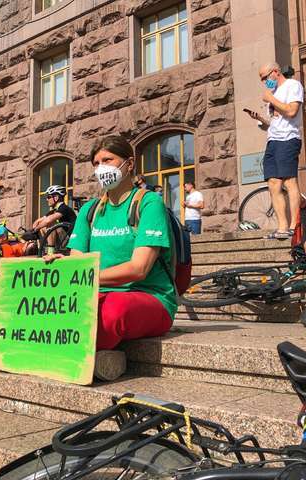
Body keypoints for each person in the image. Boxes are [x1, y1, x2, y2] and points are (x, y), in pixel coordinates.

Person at [59, 135, 176, 382]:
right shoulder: (89, 210)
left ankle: (73, 355)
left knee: (113, 311)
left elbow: (139, 269)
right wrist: (62, 268)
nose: (101, 168)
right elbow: (78, 263)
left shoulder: (149, 202)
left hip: (149, 297)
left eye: (108, 160)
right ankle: (100, 356)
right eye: (96, 163)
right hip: (97, 295)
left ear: (129, 164)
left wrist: (87, 277)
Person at [244, 61, 304, 240]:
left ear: (276, 72)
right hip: (273, 141)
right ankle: (282, 227)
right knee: (273, 183)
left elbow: (292, 111)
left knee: (289, 181)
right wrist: (261, 119)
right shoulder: (274, 93)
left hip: (288, 139)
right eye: (261, 79)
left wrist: (270, 99)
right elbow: (274, 122)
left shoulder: (292, 85)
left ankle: (295, 226)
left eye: (265, 77)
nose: (264, 82)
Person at [31, 185, 77, 250]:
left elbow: (48, 221)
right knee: (42, 225)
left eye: (49, 197)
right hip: (62, 239)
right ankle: (44, 249)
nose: (47, 199)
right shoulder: (54, 210)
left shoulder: (64, 208)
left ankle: (51, 250)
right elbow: (38, 221)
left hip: (71, 239)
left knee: (50, 224)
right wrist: (33, 230)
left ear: (56, 198)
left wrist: (36, 229)